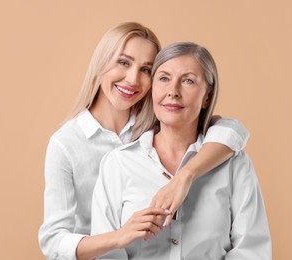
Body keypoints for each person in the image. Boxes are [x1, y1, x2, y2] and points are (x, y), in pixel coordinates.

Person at [38, 23, 249, 260]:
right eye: (124, 62)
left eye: (146, 69)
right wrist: (119, 236)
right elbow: (53, 241)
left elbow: (232, 132)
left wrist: (184, 176)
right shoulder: (66, 144)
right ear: (101, 63)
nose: (132, 79)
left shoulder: (159, 124)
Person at [91, 42, 271, 259]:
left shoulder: (235, 164)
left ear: (207, 97)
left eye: (188, 81)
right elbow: (106, 254)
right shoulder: (118, 163)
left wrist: (184, 177)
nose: (173, 92)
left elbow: (252, 250)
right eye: (164, 78)